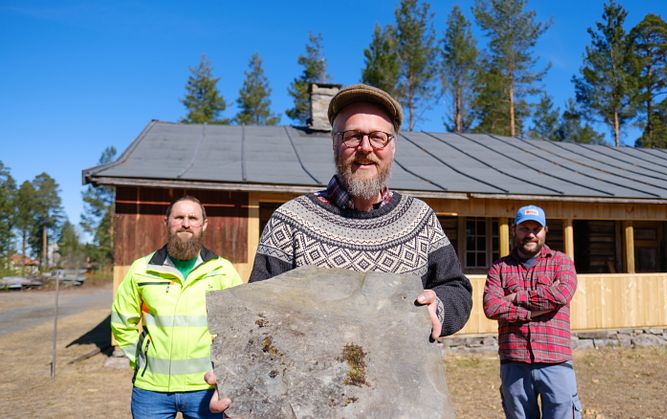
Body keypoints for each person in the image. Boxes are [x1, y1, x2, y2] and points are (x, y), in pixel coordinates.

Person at [207, 83, 473, 414]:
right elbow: (257, 323)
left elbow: (457, 288)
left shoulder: (419, 219)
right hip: (315, 404)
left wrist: (440, 309)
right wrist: (239, 379)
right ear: (335, 144)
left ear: (393, 147)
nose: (366, 148)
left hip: (401, 403)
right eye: (353, 136)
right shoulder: (290, 221)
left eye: (379, 137)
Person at [111, 195, 243, 419]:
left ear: (204, 224)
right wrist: (140, 360)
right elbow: (122, 321)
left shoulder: (223, 271)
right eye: (179, 217)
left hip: (207, 389)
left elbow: (241, 326)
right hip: (151, 391)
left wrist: (225, 370)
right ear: (166, 222)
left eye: (193, 218)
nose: (186, 223)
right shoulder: (141, 270)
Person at [483, 205, 582, 419]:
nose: (530, 234)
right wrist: (532, 312)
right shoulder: (499, 268)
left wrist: (518, 297)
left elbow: (562, 295)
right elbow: (492, 307)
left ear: (545, 230)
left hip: (555, 359)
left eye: (536, 229)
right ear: (514, 230)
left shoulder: (561, 262)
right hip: (514, 361)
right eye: (524, 228)